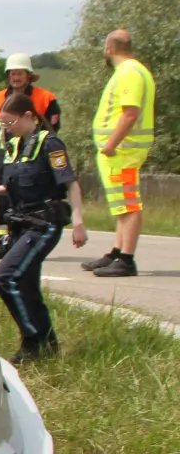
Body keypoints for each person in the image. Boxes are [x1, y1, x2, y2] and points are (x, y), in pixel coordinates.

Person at [0, 92, 88, 363]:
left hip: (43, 225)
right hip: (21, 225)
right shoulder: (14, 147)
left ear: (29, 117)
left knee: (4, 278)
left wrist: (78, 222)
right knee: (28, 286)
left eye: (11, 123)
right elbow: (19, 185)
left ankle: (33, 340)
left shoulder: (50, 144)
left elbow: (70, 184)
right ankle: (49, 346)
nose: (7, 130)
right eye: (3, 126)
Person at [81, 29, 156, 278]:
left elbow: (129, 113)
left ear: (109, 48)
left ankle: (126, 258)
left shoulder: (128, 73)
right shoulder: (134, 71)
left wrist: (111, 144)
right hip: (121, 150)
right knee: (122, 204)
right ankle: (118, 251)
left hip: (123, 150)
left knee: (129, 203)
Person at [0, 54, 63, 259]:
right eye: (12, 73)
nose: (16, 77)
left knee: (27, 197)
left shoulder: (46, 98)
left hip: (33, 154)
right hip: (5, 153)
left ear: (28, 75)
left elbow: (54, 126)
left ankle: (24, 239)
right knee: (2, 199)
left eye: (20, 73)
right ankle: (1, 242)